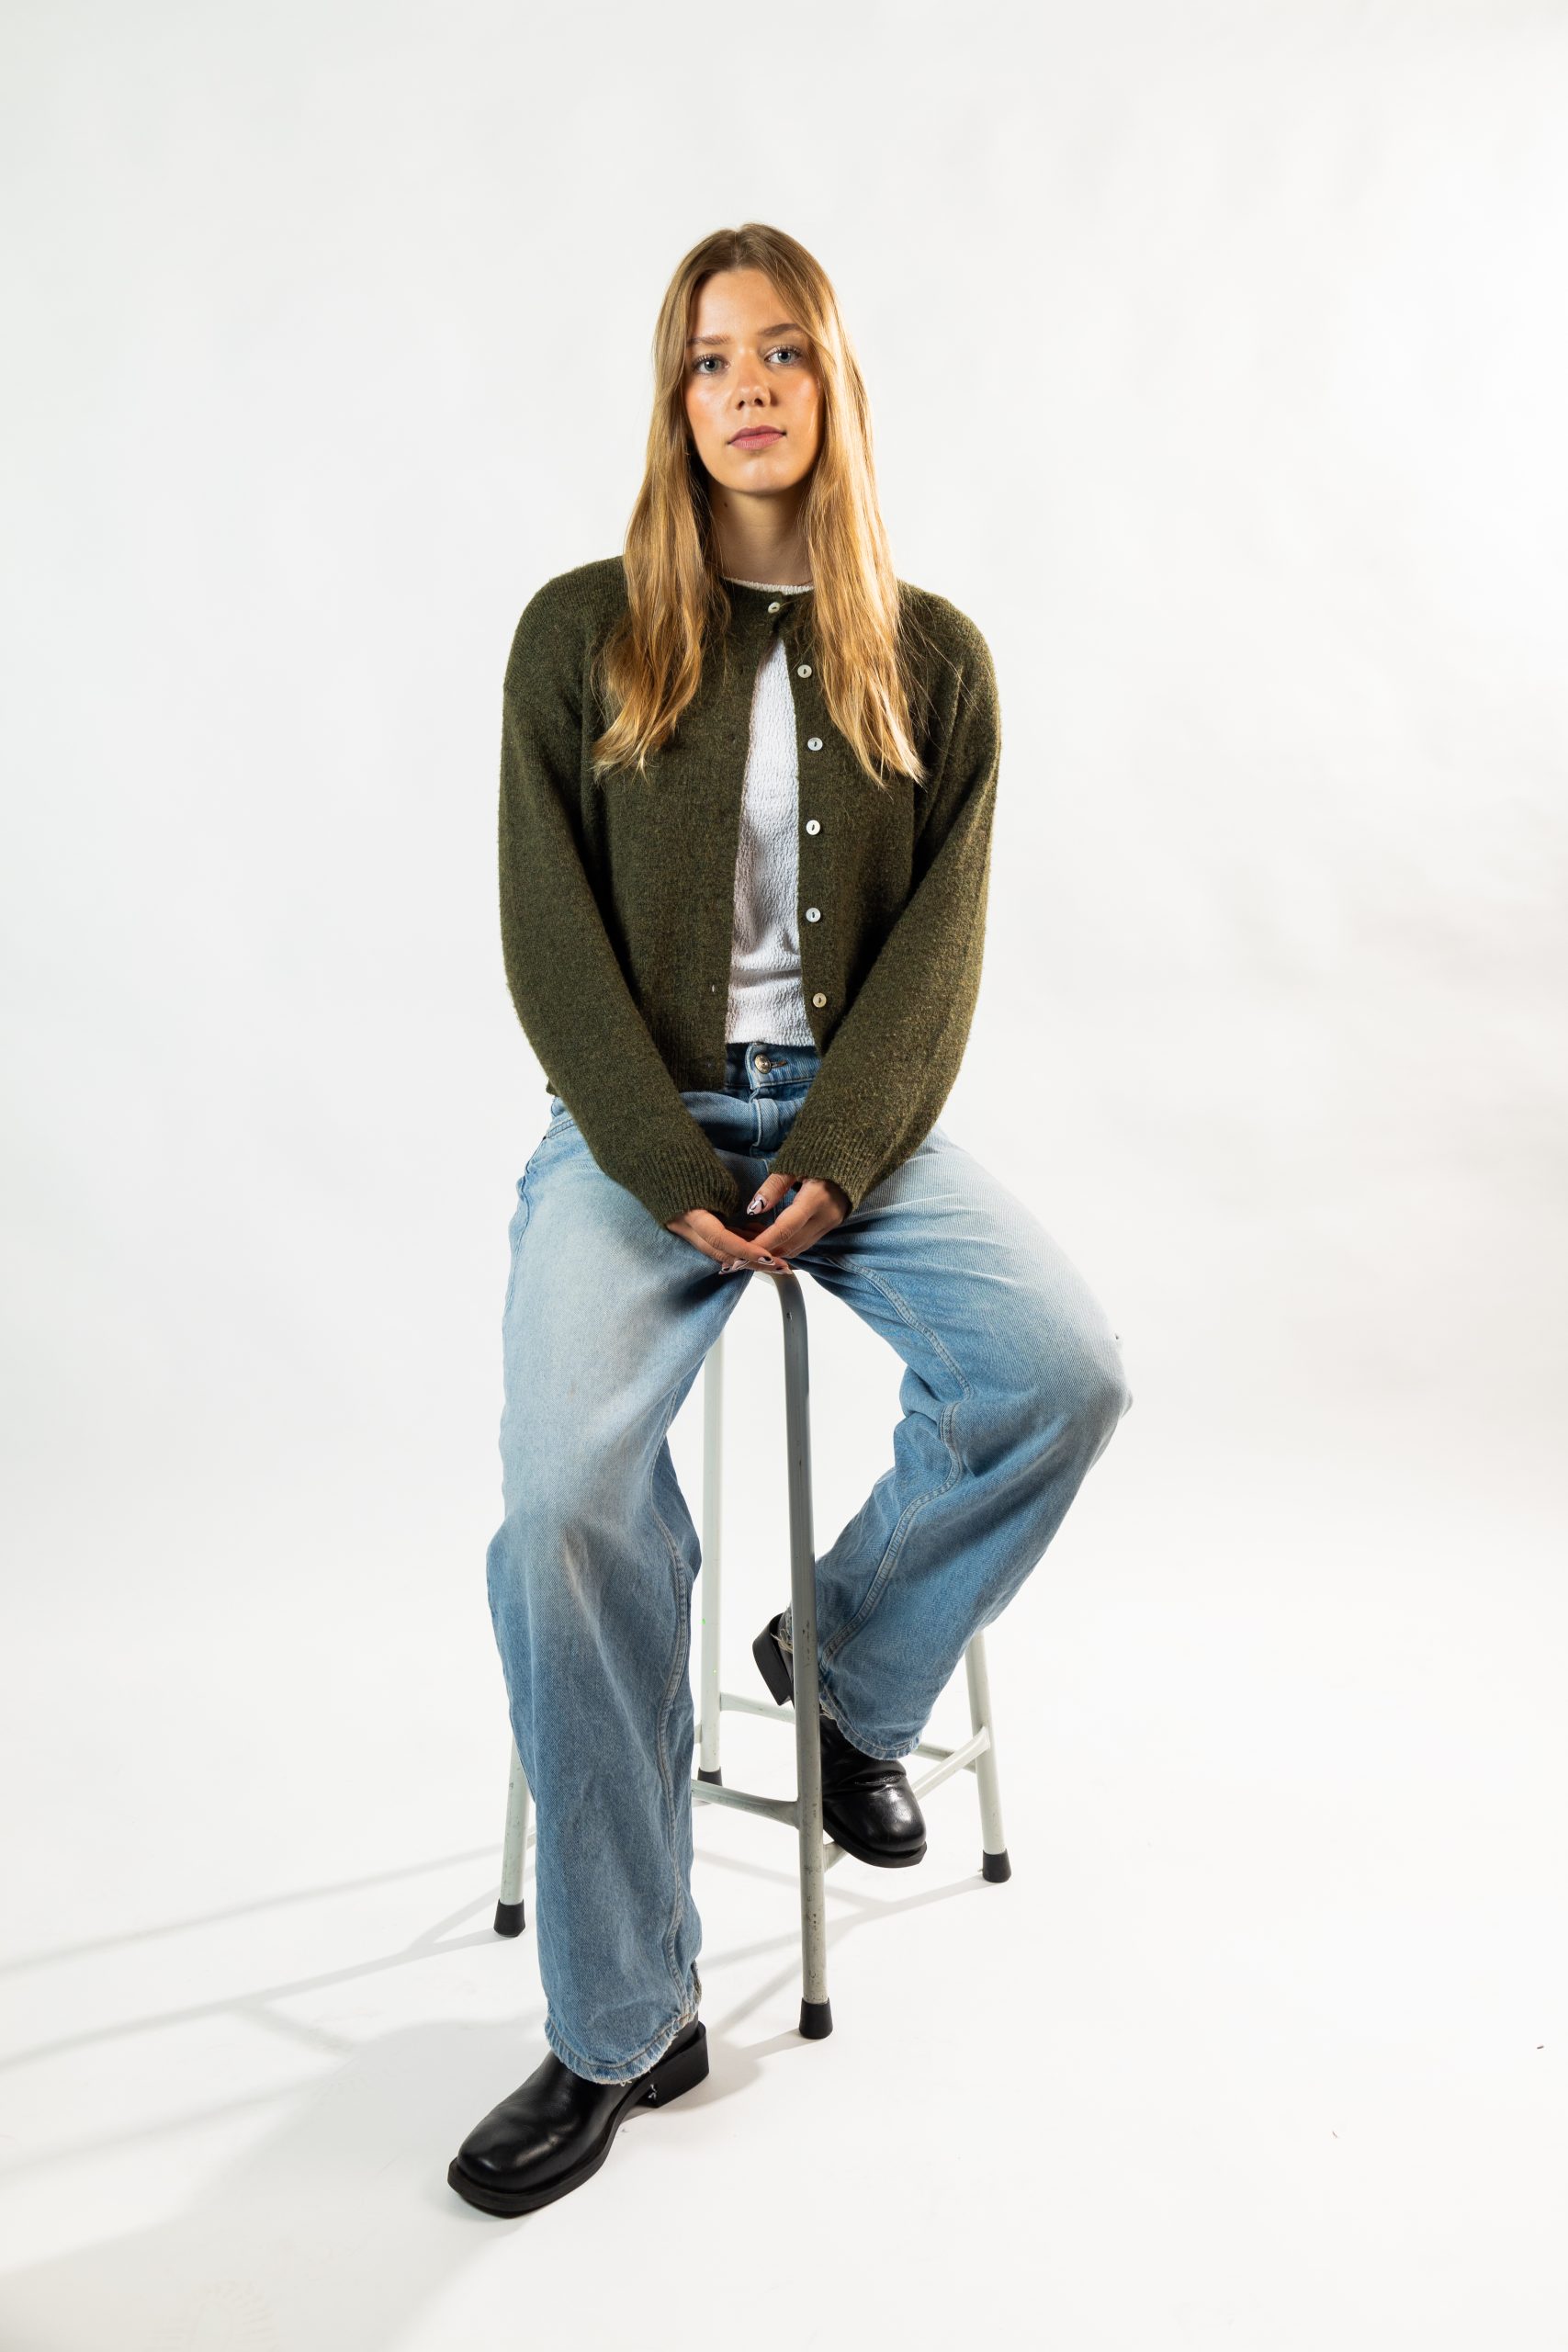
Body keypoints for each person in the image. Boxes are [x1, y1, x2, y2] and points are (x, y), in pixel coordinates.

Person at [446, 222, 1133, 2217]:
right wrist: (658, 1154)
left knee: (1060, 1371)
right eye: (707, 357)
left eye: (780, 352)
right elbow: (546, 929)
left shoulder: (934, 655)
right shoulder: (579, 631)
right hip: (631, 1131)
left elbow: (940, 944)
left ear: (832, 384)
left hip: (859, 1126)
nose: (744, 386)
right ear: (672, 401)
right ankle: (621, 2021)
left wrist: (838, 1142)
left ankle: (840, 1668)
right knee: (568, 1503)